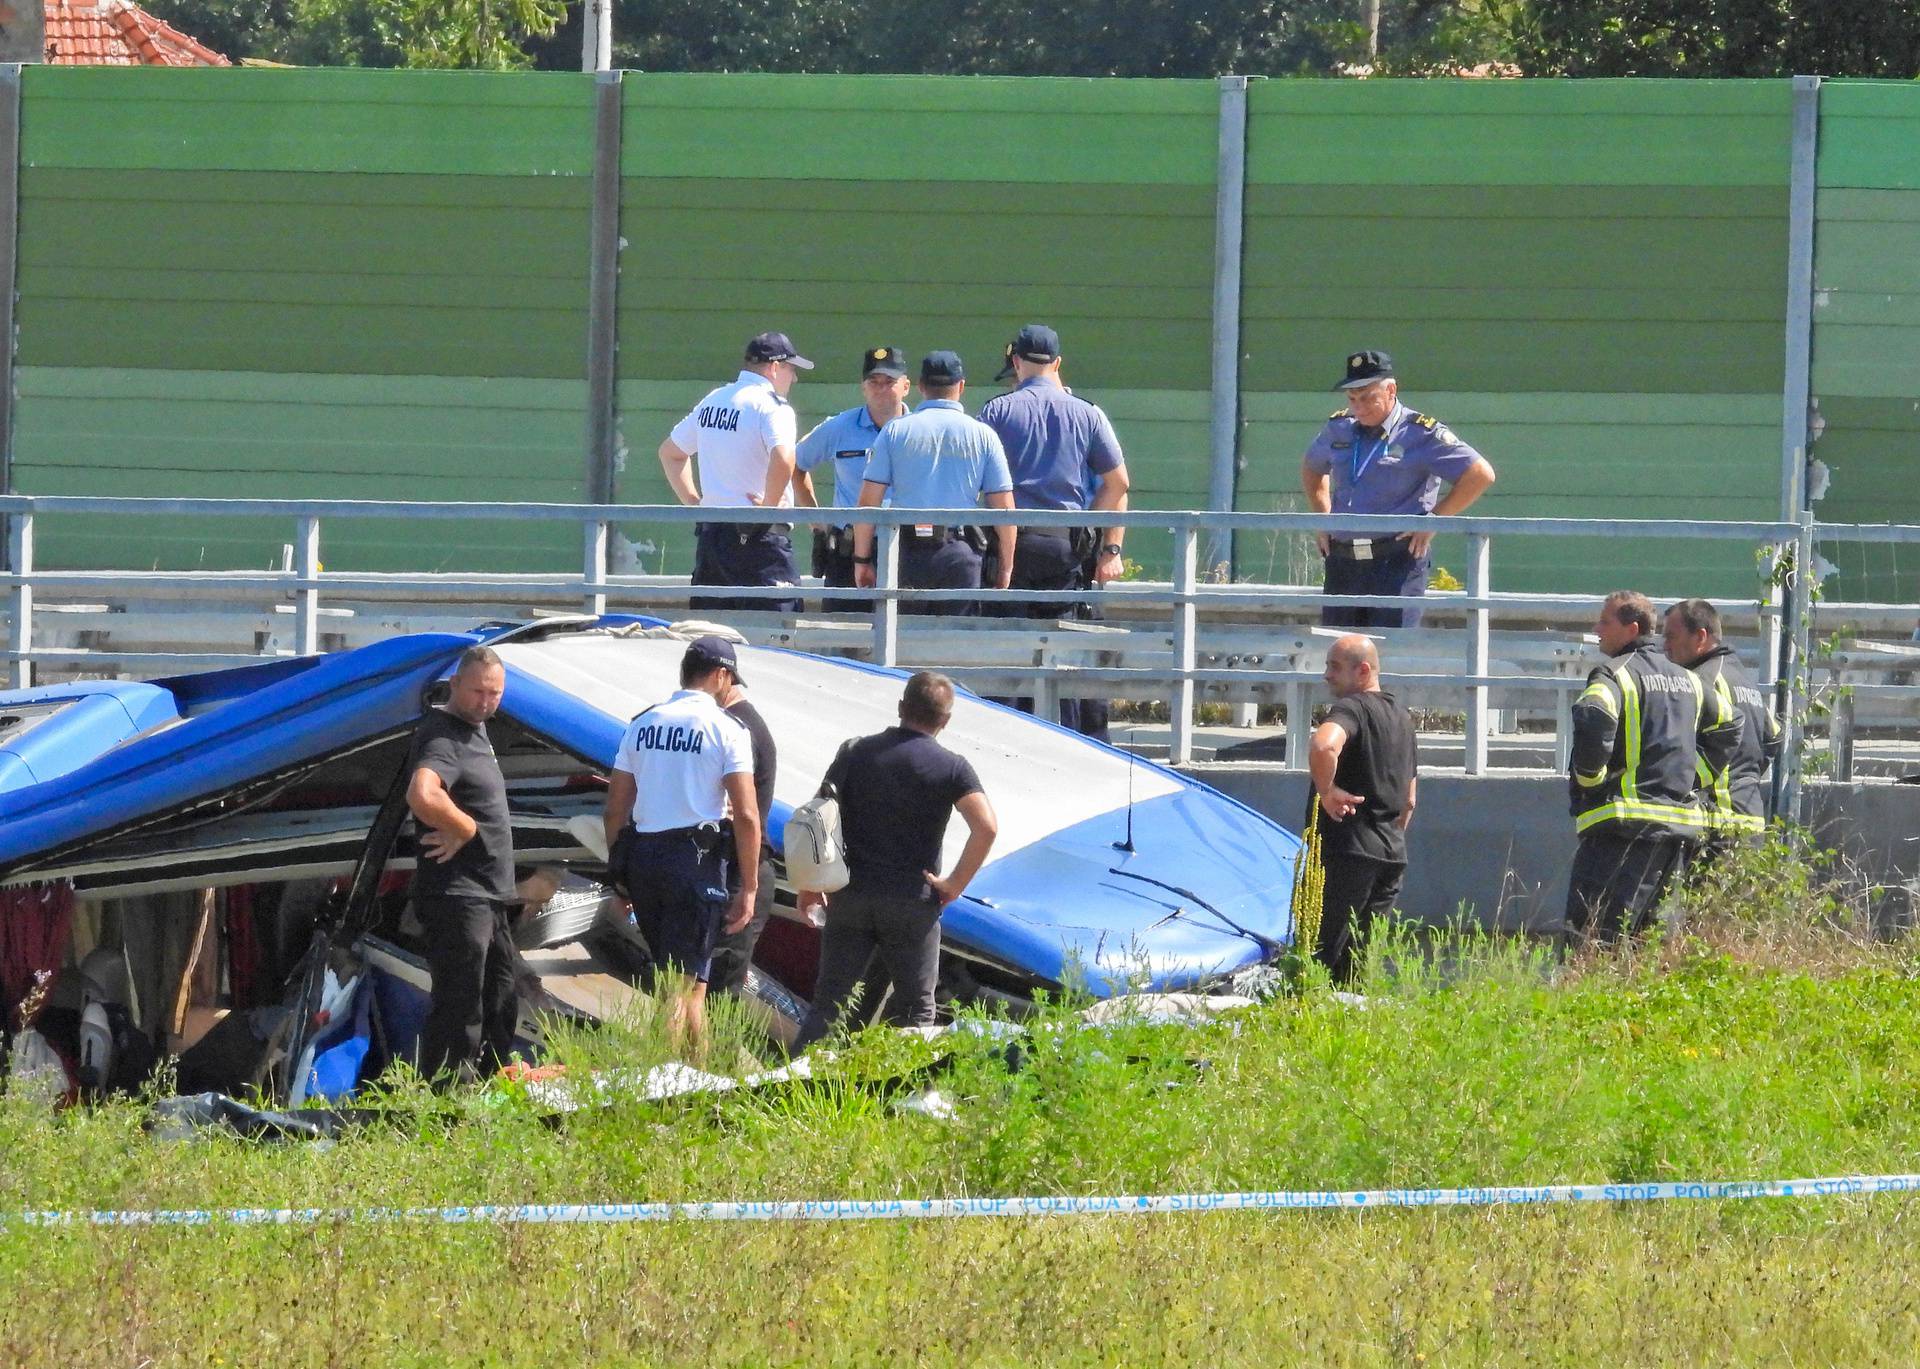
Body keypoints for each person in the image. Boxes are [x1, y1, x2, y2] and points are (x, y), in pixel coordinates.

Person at [792, 672, 997, 1050]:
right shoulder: (952, 767)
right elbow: (985, 827)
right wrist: (953, 885)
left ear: (901, 707)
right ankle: (903, 1100)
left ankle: (788, 1092)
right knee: (917, 1013)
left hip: (850, 894)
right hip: (911, 902)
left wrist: (809, 886)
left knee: (829, 1006)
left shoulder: (855, 752)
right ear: (945, 721)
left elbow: (817, 817)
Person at [601, 636, 762, 1054]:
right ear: (722, 675)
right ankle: (667, 1097)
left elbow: (614, 809)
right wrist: (750, 886)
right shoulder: (728, 729)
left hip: (645, 859)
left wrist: (619, 873)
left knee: (693, 987)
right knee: (678, 988)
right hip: (695, 863)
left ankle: (699, 1087)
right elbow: (746, 814)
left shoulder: (643, 723)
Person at [977, 323, 1129, 740]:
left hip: (1013, 543)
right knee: (1066, 649)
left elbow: (979, 480)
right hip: (1066, 545)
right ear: (1057, 363)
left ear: (1015, 362)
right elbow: (1118, 483)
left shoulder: (997, 411)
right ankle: (1067, 740)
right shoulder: (1087, 413)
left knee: (1008, 651)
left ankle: (1005, 741)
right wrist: (1091, 530)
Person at [1567, 591, 1741, 947]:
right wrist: (1694, 777)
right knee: (1651, 943)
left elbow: (1595, 716)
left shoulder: (1614, 674)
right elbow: (1730, 724)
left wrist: (1590, 782)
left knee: (1592, 938)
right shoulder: (1689, 679)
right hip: (1674, 832)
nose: (1596, 628)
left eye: (1605, 621)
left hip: (1620, 832)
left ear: (1631, 629)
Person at [1301, 350, 1497, 629]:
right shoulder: (1339, 428)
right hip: (1342, 562)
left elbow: (1480, 474)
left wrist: (1434, 519)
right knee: (1341, 652)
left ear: (1391, 390)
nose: (1359, 407)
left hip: (1395, 563)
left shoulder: (1420, 433)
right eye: (1352, 399)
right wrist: (1323, 517)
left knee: (1391, 656)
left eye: (1368, 397)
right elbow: (1312, 467)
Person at [405, 645, 519, 1083]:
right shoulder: (443, 733)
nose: (486, 702)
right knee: (461, 1005)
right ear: (454, 685)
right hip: (459, 894)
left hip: (490, 895)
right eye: (477, 692)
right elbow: (422, 793)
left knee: (502, 1000)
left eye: (495, 693)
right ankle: (447, 1100)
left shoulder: (477, 732)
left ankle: (489, 1090)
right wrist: (465, 827)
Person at [659, 331, 814, 615]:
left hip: (713, 536)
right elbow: (784, 457)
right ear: (776, 367)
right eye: (791, 370)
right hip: (761, 540)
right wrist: (768, 508)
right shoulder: (772, 407)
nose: (793, 378)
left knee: (713, 629)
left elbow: (670, 453)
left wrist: (695, 504)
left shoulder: (714, 400)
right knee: (777, 632)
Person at [851, 351, 1016, 616]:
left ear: (920, 386)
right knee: (955, 646)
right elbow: (1004, 509)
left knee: (897, 642)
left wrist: (862, 560)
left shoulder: (895, 431)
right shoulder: (984, 436)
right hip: (960, 553)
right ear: (961, 386)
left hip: (904, 553)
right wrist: (1005, 567)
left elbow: (868, 502)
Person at [1305, 635, 1418, 984]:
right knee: (1358, 967)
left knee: (1318, 959)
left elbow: (1324, 744)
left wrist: (1327, 791)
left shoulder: (1352, 709)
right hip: (1391, 857)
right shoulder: (1403, 718)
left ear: (1363, 670)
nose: (1326, 675)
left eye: (1335, 667)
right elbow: (1409, 800)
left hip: (1348, 851)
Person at [793, 346, 912, 610]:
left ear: (906, 386)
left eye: (889, 382)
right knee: (843, 638)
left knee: (906, 639)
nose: (881, 389)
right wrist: (817, 522)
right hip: (846, 554)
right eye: (874, 382)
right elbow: (794, 464)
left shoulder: (920, 431)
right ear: (863, 387)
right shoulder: (840, 427)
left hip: (906, 550)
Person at [1663, 598, 1781, 862]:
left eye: (1671, 636)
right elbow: (1774, 735)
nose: (1665, 646)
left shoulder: (1702, 680)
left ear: (1700, 636)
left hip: (1717, 825)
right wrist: (1744, 776)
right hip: (1749, 818)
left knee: (1703, 902)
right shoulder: (1742, 678)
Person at [705, 673, 777, 997]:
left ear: (722, 678)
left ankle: (710, 1047)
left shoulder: (737, 730)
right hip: (740, 867)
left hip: (739, 867)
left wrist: (747, 887)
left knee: (718, 986)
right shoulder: (736, 724)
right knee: (707, 984)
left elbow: (744, 815)